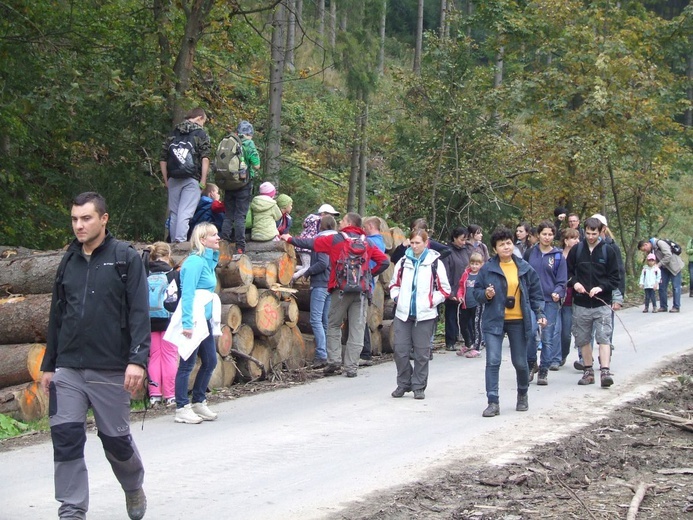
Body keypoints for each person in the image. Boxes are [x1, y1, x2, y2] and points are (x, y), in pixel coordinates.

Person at [40, 192, 149, 520]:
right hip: (69, 368)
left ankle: (132, 485)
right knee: (66, 439)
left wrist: (137, 359)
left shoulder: (124, 258)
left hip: (111, 368)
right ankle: (71, 510)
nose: (78, 225)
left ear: (104, 219)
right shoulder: (68, 261)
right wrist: (49, 365)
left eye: (86, 218)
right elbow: (57, 315)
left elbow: (140, 312)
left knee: (116, 442)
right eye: (74, 219)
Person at [281, 212, 390, 377]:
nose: (340, 222)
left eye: (343, 220)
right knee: (357, 328)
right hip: (361, 291)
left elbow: (311, 243)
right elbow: (384, 261)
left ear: (348, 223)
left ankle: (334, 362)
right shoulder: (367, 242)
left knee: (333, 325)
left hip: (340, 290)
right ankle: (351, 367)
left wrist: (289, 239)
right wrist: (368, 276)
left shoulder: (336, 240)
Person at [474, 227, 546, 417]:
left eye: (508, 243)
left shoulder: (524, 267)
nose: (506, 247)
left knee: (521, 363)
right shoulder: (487, 269)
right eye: (501, 244)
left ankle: (522, 394)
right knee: (493, 361)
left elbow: (536, 293)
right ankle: (492, 401)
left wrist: (540, 312)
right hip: (494, 321)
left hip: (518, 321)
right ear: (495, 248)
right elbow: (476, 294)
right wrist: (486, 294)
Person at [389, 229, 451, 399]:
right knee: (400, 351)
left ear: (426, 243)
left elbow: (445, 289)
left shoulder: (435, 263)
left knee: (422, 353)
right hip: (403, 313)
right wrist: (397, 298)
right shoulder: (403, 262)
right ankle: (403, 383)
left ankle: (418, 386)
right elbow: (394, 284)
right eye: (413, 243)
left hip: (425, 315)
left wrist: (431, 301)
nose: (415, 246)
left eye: (418, 243)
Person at [172, 222, 221, 424]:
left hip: (205, 318)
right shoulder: (193, 262)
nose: (218, 237)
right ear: (203, 240)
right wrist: (187, 323)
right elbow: (188, 293)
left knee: (210, 360)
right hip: (193, 318)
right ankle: (181, 407)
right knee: (187, 363)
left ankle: (199, 401)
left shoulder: (206, 261)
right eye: (214, 235)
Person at [567, 217, 620, 387]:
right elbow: (567, 273)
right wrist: (575, 283)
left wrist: (601, 288)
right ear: (584, 232)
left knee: (604, 337)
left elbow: (615, 278)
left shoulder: (608, 251)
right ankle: (588, 371)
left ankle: (605, 371)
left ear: (600, 232)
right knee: (583, 338)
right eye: (588, 233)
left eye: (594, 234)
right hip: (581, 303)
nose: (590, 237)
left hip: (602, 303)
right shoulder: (576, 250)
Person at [523, 221, 567, 384]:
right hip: (531, 300)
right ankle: (530, 364)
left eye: (550, 234)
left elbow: (562, 281)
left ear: (553, 236)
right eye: (544, 234)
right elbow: (523, 274)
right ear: (538, 235)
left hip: (550, 301)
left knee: (548, 336)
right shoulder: (529, 253)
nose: (547, 237)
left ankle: (544, 370)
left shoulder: (558, 257)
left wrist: (558, 291)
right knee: (531, 333)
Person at [160, 107, 211, 243]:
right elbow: (205, 158)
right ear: (200, 118)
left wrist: (166, 180)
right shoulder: (200, 134)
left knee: (175, 213)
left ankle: (172, 245)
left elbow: (163, 159)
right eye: (204, 121)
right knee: (186, 212)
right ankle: (180, 243)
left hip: (173, 177)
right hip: (192, 178)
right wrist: (203, 180)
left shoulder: (173, 133)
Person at [299, 215, 337, 368]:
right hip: (330, 283)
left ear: (321, 226)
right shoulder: (337, 240)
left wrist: (307, 273)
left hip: (321, 283)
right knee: (325, 321)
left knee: (316, 320)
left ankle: (322, 354)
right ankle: (329, 354)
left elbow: (322, 263)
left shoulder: (322, 240)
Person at [146, 242, 180, 408]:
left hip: (149, 322)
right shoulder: (172, 274)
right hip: (169, 321)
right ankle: (170, 395)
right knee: (169, 356)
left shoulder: (144, 273)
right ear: (168, 255)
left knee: (154, 357)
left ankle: (154, 395)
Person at [221, 120, 261, 255]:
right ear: (249, 134)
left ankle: (223, 242)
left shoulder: (230, 141)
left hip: (228, 183)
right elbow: (256, 165)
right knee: (240, 216)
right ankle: (240, 246)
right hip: (243, 184)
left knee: (228, 215)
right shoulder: (249, 143)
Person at [360, 216, 387, 364]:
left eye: (365, 227)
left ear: (370, 226)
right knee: (360, 317)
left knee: (361, 318)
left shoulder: (372, 242)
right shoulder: (379, 241)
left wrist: (370, 274)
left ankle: (365, 352)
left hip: (365, 284)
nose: (363, 229)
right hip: (367, 284)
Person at [442, 227, 473, 352]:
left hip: (465, 289)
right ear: (454, 238)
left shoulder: (466, 251)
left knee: (466, 317)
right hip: (452, 288)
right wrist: (450, 292)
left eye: (465, 239)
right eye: (461, 239)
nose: (464, 242)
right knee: (451, 316)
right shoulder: (448, 251)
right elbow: (445, 272)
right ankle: (450, 341)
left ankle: (468, 340)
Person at [292, 203, 341, 281]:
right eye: (330, 215)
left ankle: (291, 269)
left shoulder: (312, 220)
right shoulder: (320, 221)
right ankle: (292, 278)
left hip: (304, 245)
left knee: (306, 266)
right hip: (308, 247)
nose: (332, 218)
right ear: (323, 214)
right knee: (308, 267)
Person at [638, 237, 685, 313]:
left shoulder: (660, 243)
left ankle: (676, 306)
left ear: (646, 244)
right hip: (664, 268)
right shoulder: (652, 250)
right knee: (661, 286)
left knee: (676, 287)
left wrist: (658, 265)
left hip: (674, 266)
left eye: (644, 249)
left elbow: (668, 255)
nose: (644, 251)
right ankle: (663, 306)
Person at [557, 228, 580, 366]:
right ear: (566, 241)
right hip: (555, 297)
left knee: (566, 332)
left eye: (577, 238)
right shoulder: (557, 255)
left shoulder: (580, 255)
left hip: (570, 300)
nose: (577, 241)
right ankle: (555, 357)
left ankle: (563, 354)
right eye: (573, 238)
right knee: (554, 330)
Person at [455, 251, 484, 358]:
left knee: (476, 326)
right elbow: (461, 287)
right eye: (472, 263)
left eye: (477, 264)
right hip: (466, 304)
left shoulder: (482, 275)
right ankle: (468, 344)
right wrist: (460, 296)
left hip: (478, 304)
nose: (474, 266)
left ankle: (477, 348)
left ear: (481, 264)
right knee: (463, 324)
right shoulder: (466, 274)